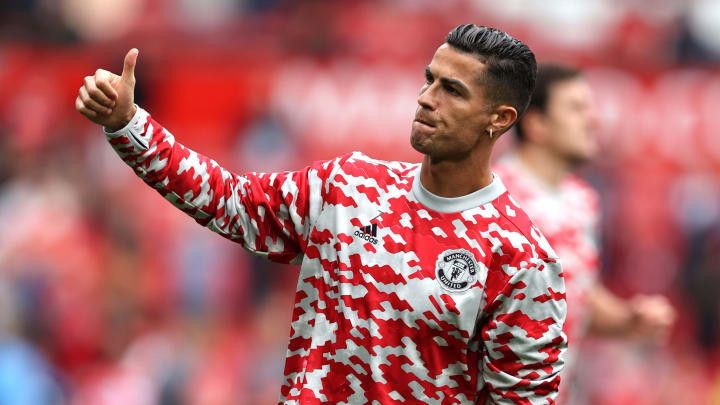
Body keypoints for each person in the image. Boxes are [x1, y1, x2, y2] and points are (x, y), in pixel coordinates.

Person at [75, 24, 567, 404]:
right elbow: (228, 199)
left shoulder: (521, 258)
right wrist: (128, 125)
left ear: (499, 119)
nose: (426, 99)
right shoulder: (349, 188)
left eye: (452, 90)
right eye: (428, 80)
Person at [494, 64, 676, 401]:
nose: (593, 120)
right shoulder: (496, 200)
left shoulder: (582, 201)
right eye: (576, 108)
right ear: (536, 124)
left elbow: (577, 297)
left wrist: (627, 320)